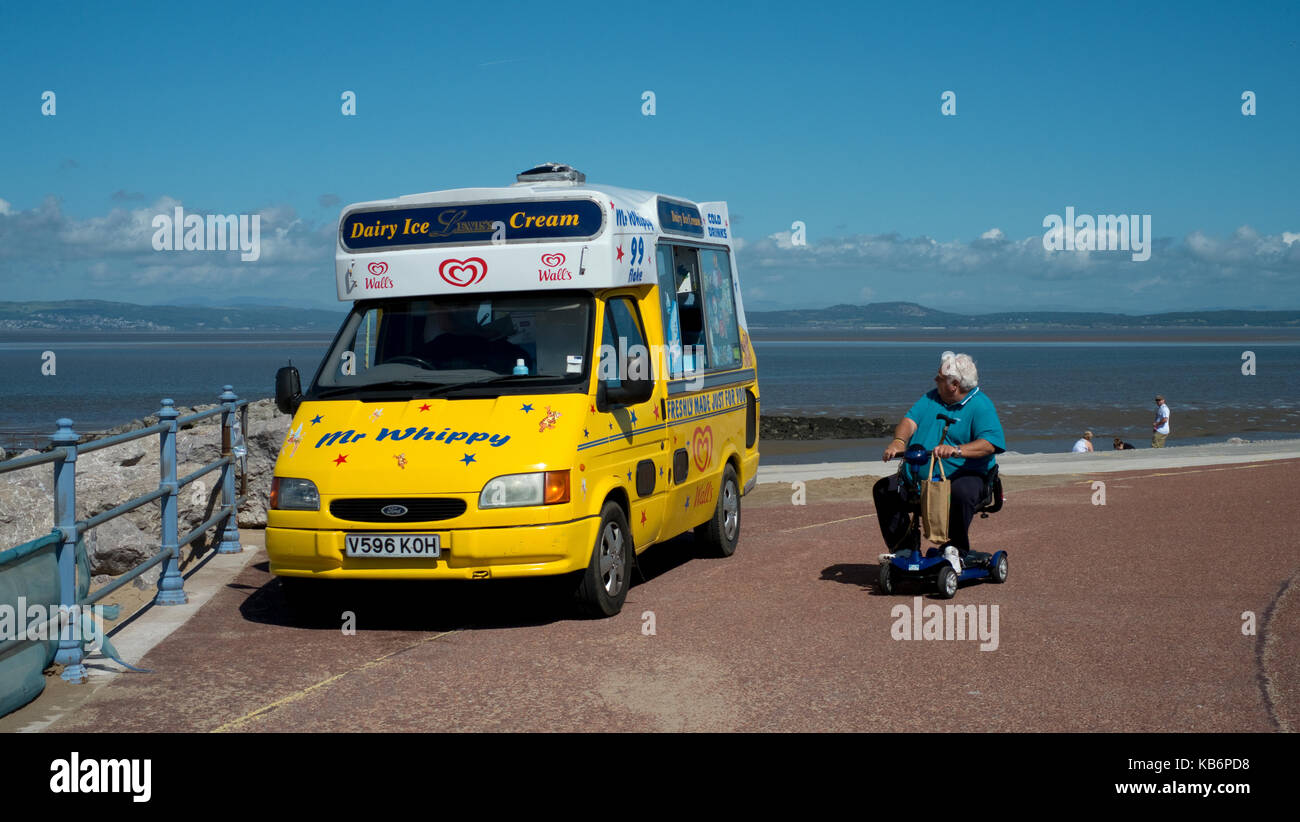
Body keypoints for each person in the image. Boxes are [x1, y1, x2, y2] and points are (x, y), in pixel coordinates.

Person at [876, 351, 1006, 567]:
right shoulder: (931, 397)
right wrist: (899, 441)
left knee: (960, 492)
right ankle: (903, 548)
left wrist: (956, 450)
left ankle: (956, 549)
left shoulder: (981, 405)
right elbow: (910, 421)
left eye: (939, 378)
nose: (935, 380)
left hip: (967, 475)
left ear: (954, 384)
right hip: (920, 476)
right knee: (884, 489)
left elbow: (990, 443)